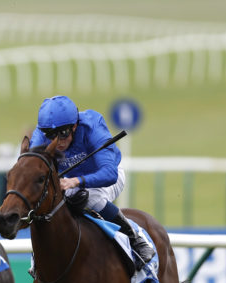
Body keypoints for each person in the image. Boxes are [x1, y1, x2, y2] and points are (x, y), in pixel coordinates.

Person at [30, 95, 155, 270]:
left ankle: (136, 239)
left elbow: (109, 174)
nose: (57, 141)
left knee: (91, 198)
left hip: (105, 178)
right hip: (68, 182)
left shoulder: (92, 126)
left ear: (74, 126)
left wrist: (77, 181)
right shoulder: (40, 135)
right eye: (51, 135)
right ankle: (40, 255)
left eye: (63, 133)